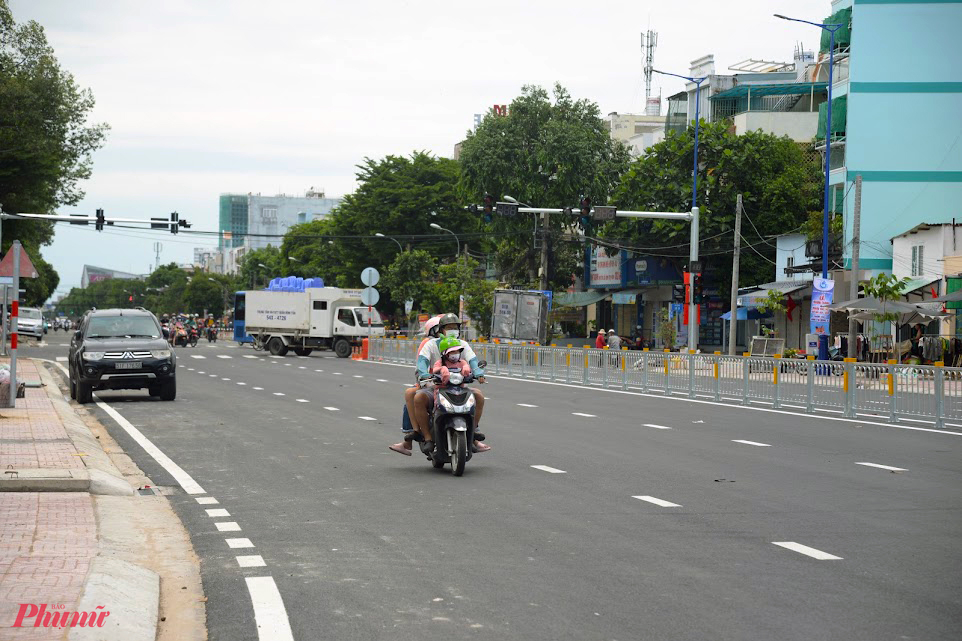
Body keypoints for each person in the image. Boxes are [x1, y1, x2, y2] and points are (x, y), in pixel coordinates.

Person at [411, 313, 489, 453]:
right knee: (418, 398)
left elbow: (472, 361)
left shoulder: (463, 345)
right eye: (449, 327)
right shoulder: (430, 345)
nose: (453, 330)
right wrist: (424, 374)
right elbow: (422, 361)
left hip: (459, 386)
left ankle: (472, 433)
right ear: (441, 330)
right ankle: (428, 438)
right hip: (436, 386)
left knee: (479, 396)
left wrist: (478, 374)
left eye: (455, 327)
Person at [389, 314, 443, 455]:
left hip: (452, 382)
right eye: (443, 328)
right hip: (430, 382)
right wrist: (425, 378)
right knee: (411, 395)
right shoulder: (428, 344)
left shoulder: (457, 343)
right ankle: (414, 434)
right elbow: (421, 366)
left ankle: (473, 435)